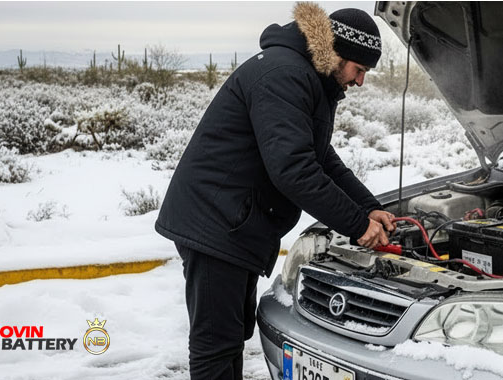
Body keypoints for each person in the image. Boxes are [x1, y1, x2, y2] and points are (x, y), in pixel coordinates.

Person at [154, 3, 395, 379]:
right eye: (359, 69)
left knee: (232, 337)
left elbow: (320, 157)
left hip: (234, 221)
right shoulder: (285, 74)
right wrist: (356, 224)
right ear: (337, 53)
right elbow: (293, 170)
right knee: (215, 345)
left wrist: (369, 208)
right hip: (215, 223)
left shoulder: (306, 75)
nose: (360, 81)